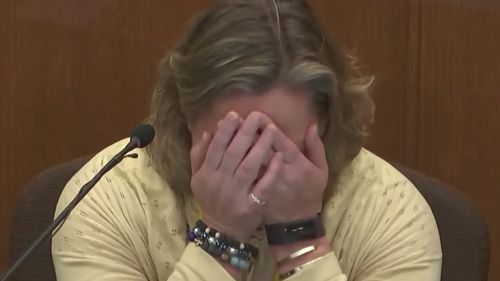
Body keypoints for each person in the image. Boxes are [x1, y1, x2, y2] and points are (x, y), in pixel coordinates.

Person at [52, 0, 442, 280]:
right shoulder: (105, 204)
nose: (257, 166)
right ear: (186, 117)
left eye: (281, 146)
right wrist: (221, 237)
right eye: (235, 142)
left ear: (325, 122)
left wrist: (299, 239)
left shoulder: (391, 211)